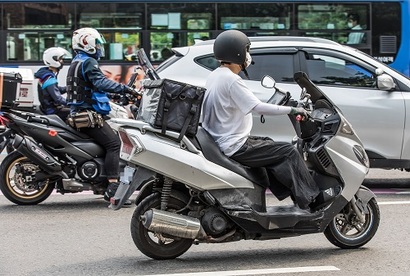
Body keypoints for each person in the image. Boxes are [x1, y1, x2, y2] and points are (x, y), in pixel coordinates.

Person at [200, 30, 340, 211]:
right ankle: (312, 199)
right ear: (237, 53)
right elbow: (257, 107)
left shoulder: (216, 75)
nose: (249, 56)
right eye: (247, 51)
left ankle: (291, 195)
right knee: (288, 151)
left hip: (225, 140)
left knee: (269, 144)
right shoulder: (231, 80)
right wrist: (293, 109)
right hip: (235, 145)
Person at [66, 27, 136, 203]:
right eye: (96, 43)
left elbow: (90, 87)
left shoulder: (77, 61)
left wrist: (114, 94)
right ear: (86, 43)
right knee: (114, 144)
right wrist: (124, 88)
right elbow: (101, 82)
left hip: (78, 112)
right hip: (87, 115)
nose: (99, 47)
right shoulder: (89, 62)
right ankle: (112, 188)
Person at [34, 47, 70, 120]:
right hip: (51, 110)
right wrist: (73, 104)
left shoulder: (45, 74)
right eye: (60, 59)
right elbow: (58, 99)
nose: (62, 61)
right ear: (53, 60)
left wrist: (68, 88)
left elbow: (54, 90)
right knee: (76, 113)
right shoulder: (49, 78)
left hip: (47, 108)